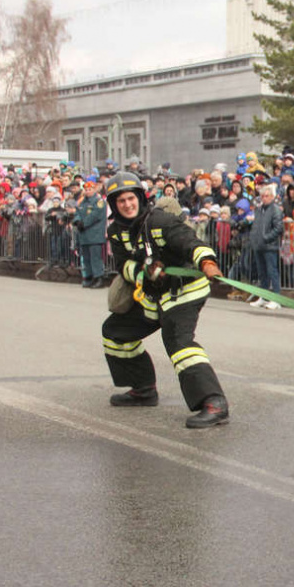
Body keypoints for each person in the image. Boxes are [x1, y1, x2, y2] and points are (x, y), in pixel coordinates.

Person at [99, 171, 229, 429]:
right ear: (114, 205)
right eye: (121, 201)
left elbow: (190, 242)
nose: (127, 204)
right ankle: (144, 390)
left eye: (130, 198)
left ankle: (214, 403)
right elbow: (124, 265)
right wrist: (144, 273)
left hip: (185, 292)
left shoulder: (159, 221)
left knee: (178, 343)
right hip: (154, 295)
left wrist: (207, 262)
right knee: (115, 332)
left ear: (139, 198)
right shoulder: (116, 231)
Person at [249, 183, 284, 309]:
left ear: (272, 196)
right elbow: (256, 226)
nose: (264, 198)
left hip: (269, 245)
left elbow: (279, 228)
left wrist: (266, 237)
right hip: (258, 245)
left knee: (272, 271)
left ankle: (276, 298)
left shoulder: (275, 209)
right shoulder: (258, 210)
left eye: (267, 196)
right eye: (262, 196)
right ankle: (263, 297)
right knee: (262, 273)